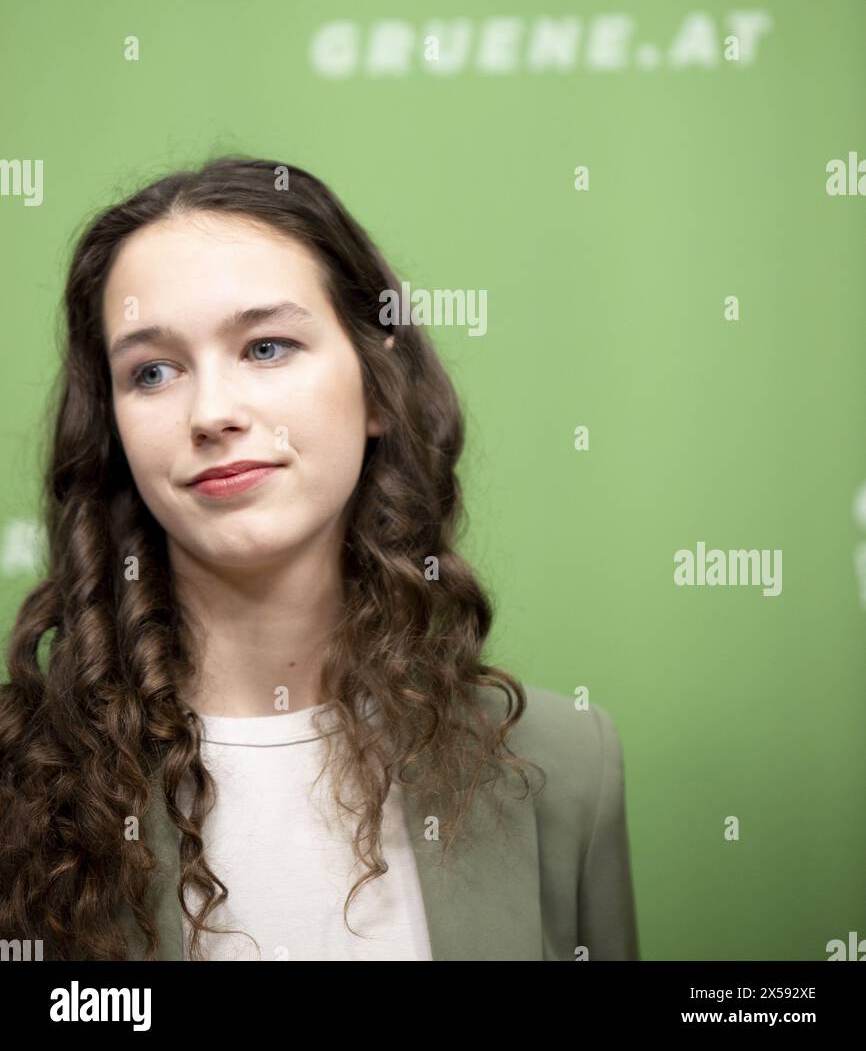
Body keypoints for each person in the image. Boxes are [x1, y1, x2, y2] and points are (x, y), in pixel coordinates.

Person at [0, 154, 640, 961]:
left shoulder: (563, 764)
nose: (213, 412)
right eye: (152, 371)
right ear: (114, 431)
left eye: (266, 347)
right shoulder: (17, 785)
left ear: (379, 387)